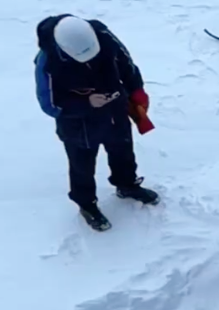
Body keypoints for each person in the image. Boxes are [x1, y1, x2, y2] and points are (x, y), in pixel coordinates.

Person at [33, 14, 159, 231]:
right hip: (78, 125)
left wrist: (136, 89)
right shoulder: (47, 60)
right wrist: (86, 103)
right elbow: (49, 104)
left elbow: (126, 63)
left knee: (123, 151)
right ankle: (87, 204)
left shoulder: (103, 35)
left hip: (114, 110)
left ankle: (126, 184)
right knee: (82, 166)